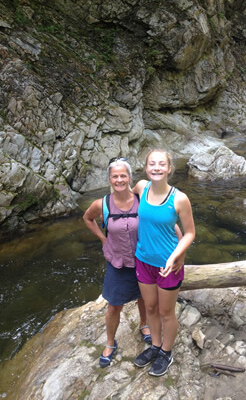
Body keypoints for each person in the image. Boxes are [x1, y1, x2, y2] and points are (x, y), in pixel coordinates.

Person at [83, 157, 151, 368]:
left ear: (130, 177)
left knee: (144, 298)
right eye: (115, 176)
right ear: (110, 179)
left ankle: (144, 325)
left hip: (143, 259)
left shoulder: (143, 198)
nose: (119, 179)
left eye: (123, 175)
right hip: (117, 262)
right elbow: (87, 218)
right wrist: (103, 239)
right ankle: (110, 342)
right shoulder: (101, 204)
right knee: (114, 306)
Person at [133, 148, 195, 377]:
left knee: (166, 311)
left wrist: (177, 255)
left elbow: (189, 233)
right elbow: (126, 201)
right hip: (143, 260)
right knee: (150, 307)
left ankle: (166, 353)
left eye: (161, 164)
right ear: (146, 167)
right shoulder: (141, 187)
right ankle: (156, 346)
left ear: (169, 168)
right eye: (152, 164)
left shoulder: (179, 198)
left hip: (168, 265)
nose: (156, 168)